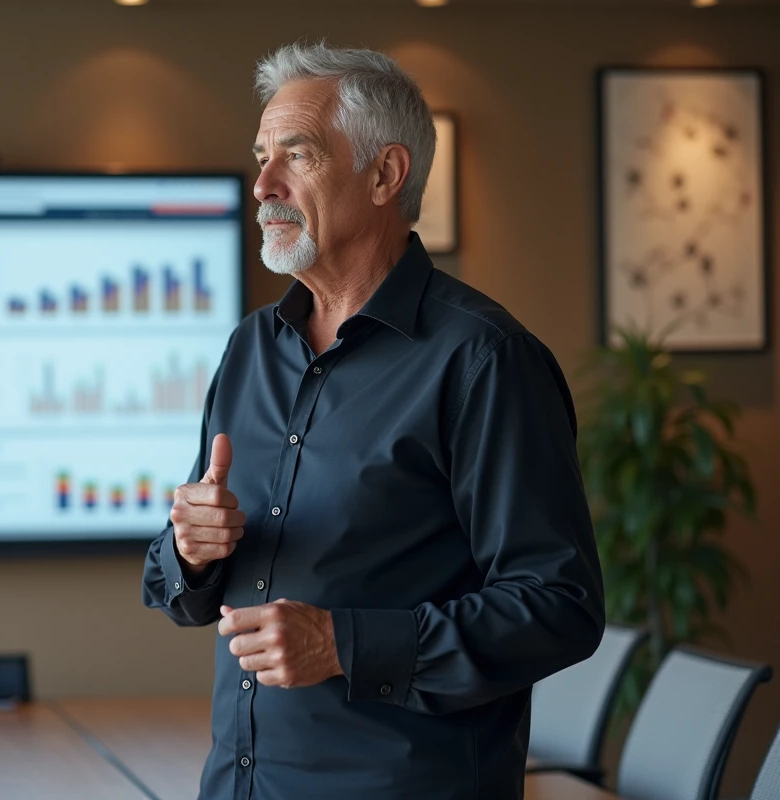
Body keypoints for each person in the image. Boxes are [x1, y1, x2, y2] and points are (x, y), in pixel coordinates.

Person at [141, 42, 604, 800]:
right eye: (261, 157)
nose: (263, 184)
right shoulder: (250, 347)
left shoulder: (486, 360)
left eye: (298, 155)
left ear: (386, 174)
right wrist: (190, 550)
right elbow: (184, 583)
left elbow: (559, 607)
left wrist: (344, 644)